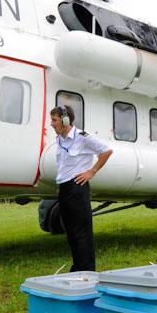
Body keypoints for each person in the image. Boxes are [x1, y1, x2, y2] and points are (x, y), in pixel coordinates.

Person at [50, 105, 112, 272]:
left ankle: (87, 270)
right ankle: (77, 267)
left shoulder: (82, 137)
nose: (51, 124)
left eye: (54, 120)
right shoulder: (60, 139)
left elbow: (106, 151)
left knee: (81, 232)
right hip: (64, 188)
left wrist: (92, 171)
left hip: (77, 187)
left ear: (65, 120)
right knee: (70, 231)